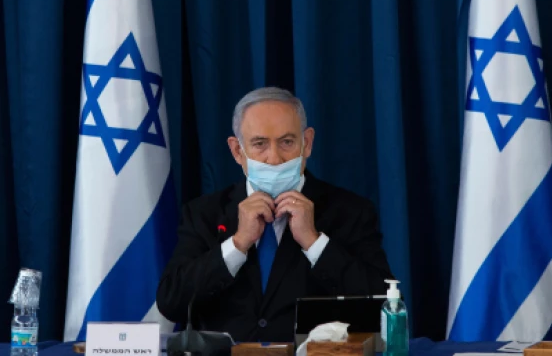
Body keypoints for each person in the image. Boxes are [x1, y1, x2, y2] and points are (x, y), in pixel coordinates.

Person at [156, 87, 394, 342]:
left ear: (307, 143)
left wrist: (315, 243)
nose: (275, 158)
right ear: (237, 151)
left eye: (287, 142)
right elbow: (172, 303)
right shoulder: (204, 213)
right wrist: (237, 244)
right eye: (260, 144)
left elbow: (384, 309)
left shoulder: (350, 211)